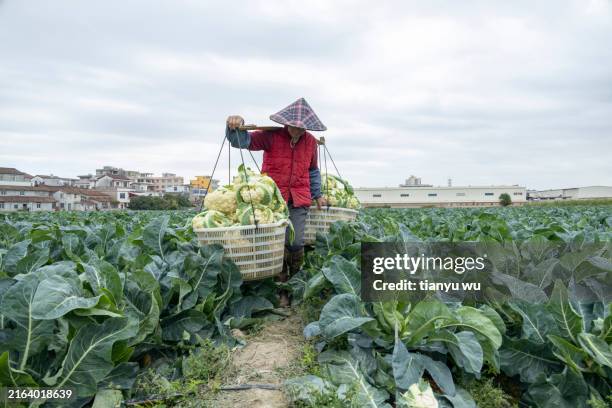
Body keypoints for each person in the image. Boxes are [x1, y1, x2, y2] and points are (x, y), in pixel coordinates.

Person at [226, 98, 326, 306]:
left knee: (296, 241)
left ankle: (296, 283)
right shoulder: (270, 136)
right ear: (286, 123)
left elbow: (313, 170)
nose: (297, 131)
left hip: (299, 197)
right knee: (277, 243)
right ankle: (281, 287)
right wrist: (234, 125)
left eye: (301, 128)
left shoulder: (309, 143)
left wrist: (317, 194)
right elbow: (242, 141)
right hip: (272, 199)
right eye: (293, 126)